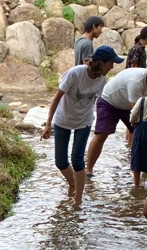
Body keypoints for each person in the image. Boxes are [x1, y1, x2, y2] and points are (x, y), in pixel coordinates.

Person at [42, 46, 120, 206]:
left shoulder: (102, 79)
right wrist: (48, 124)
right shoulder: (75, 73)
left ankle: (78, 200)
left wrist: (100, 121)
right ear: (101, 62)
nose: (112, 67)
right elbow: (57, 98)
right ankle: (73, 184)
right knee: (60, 161)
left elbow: (97, 101)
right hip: (63, 119)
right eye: (111, 63)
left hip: (84, 121)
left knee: (77, 160)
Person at [85, 58, 147, 178]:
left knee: (141, 132)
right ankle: (88, 169)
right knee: (101, 135)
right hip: (109, 102)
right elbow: (139, 111)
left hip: (130, 104)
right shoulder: (135, 81)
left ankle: (139, 165)